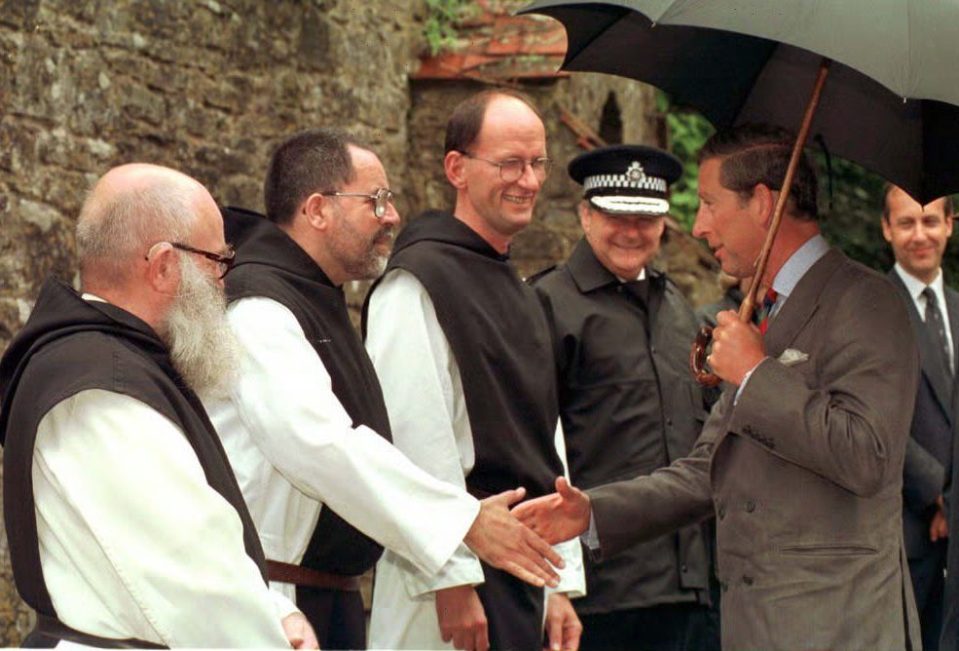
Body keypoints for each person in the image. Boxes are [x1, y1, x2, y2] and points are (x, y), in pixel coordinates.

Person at [514, 124, 923, 650]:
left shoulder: (866, 302)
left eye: (709, 203)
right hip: (750, 626)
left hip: (840, 628)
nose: (698, 224)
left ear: (761, 203)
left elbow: (868, 454)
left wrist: (756, 374)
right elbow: (708, 469)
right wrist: (591, 513)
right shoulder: (760, 312)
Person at [204, 128, 563, 650]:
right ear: (317, 210)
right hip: (277, 602)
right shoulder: (260, 310)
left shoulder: (311, 295)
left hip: (327, 594)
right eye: (376, 200)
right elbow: (319, 443)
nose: (392, 216)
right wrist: (461, 520)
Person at [0, 163, 315, 648]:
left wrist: (274, 612)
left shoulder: (123, 363)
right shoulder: (100, 387)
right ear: (164, 265)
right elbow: (195, 583)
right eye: (218, 261)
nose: (223, 282)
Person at [363, 89, 585, 651]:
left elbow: (544, 440)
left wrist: (559, 583)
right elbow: (414, 438)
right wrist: (450, 578)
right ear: (456, 168)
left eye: (538, 163)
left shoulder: (525, 292)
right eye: (510, 163)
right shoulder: (417, 283)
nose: (529, 181)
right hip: (451, 583)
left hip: (523, 571)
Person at [529, 145, 718, 651]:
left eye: (646, 218)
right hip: (601, 598)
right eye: (617, 215)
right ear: (585, 214)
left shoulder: (679, 309)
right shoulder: (547, 306)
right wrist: (555, 588)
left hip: (690, 591)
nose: (632, 231)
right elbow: (533, 453)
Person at [881, 184, 958, 651]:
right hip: (906, 533)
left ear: (950, 225)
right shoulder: (869, 307)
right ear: (886, 228)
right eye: (906, 222)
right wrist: (938, 497)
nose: (919, 234)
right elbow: (877, 414)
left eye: (930, 221)